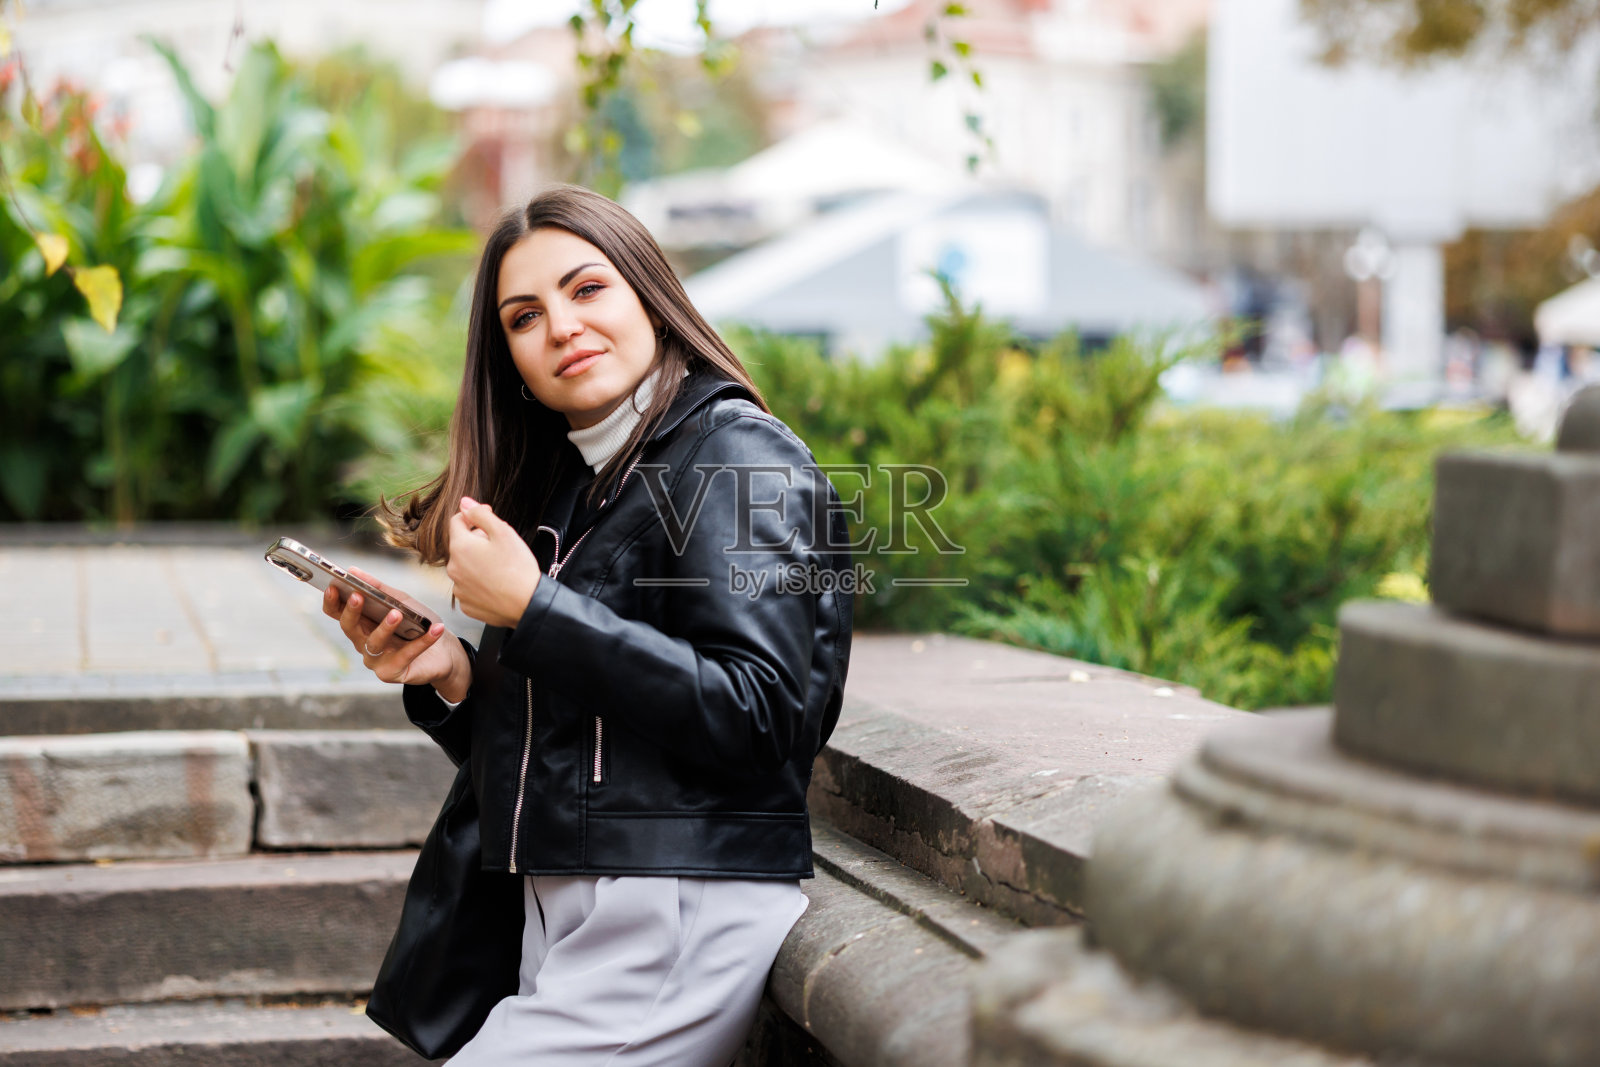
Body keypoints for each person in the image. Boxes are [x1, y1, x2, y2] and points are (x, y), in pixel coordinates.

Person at [321, 184, 855, 1065]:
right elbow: (590, 754)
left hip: (672, 912)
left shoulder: (737, 456)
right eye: (524, 316)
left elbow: (761, 714)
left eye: (587, 289)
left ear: (650, 293)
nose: (562, 326)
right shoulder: (580, 489)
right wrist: (456, 678)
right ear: (512, 363)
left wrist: (536, 609)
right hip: (571, 919)